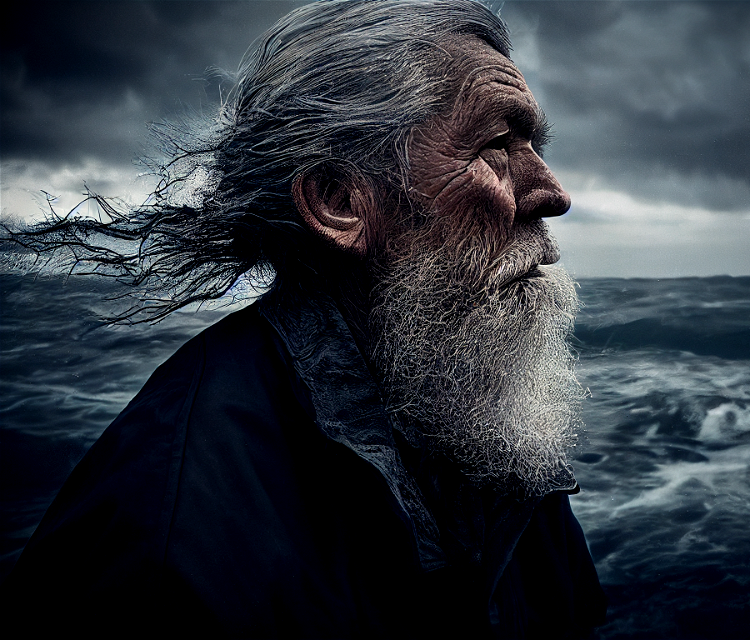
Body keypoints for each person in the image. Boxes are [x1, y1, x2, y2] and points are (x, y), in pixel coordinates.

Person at [1, 1, 607, 637]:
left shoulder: (480, 420)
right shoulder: (169, 536)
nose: (553, 192)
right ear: (340, 202)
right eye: (497, 146)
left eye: (534, 144)